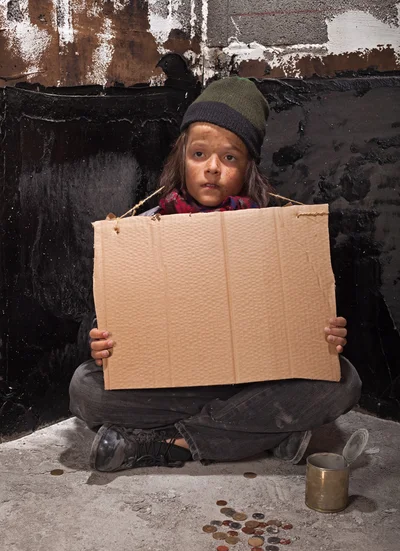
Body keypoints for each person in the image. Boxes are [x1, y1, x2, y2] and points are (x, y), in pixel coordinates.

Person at [69, 77, 361, 472]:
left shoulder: (274, 233)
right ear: (181, 157)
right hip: (176, 384)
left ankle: (164, 443)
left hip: (252, 380)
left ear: (247, 168)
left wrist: (324, 336)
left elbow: (299, 318)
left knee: (343, 380)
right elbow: (110, 317)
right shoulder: (144, 227)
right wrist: (102, 340)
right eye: (200, 154)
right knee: (86, 388)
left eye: (229, 158)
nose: (211, 169)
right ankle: (263, 431)